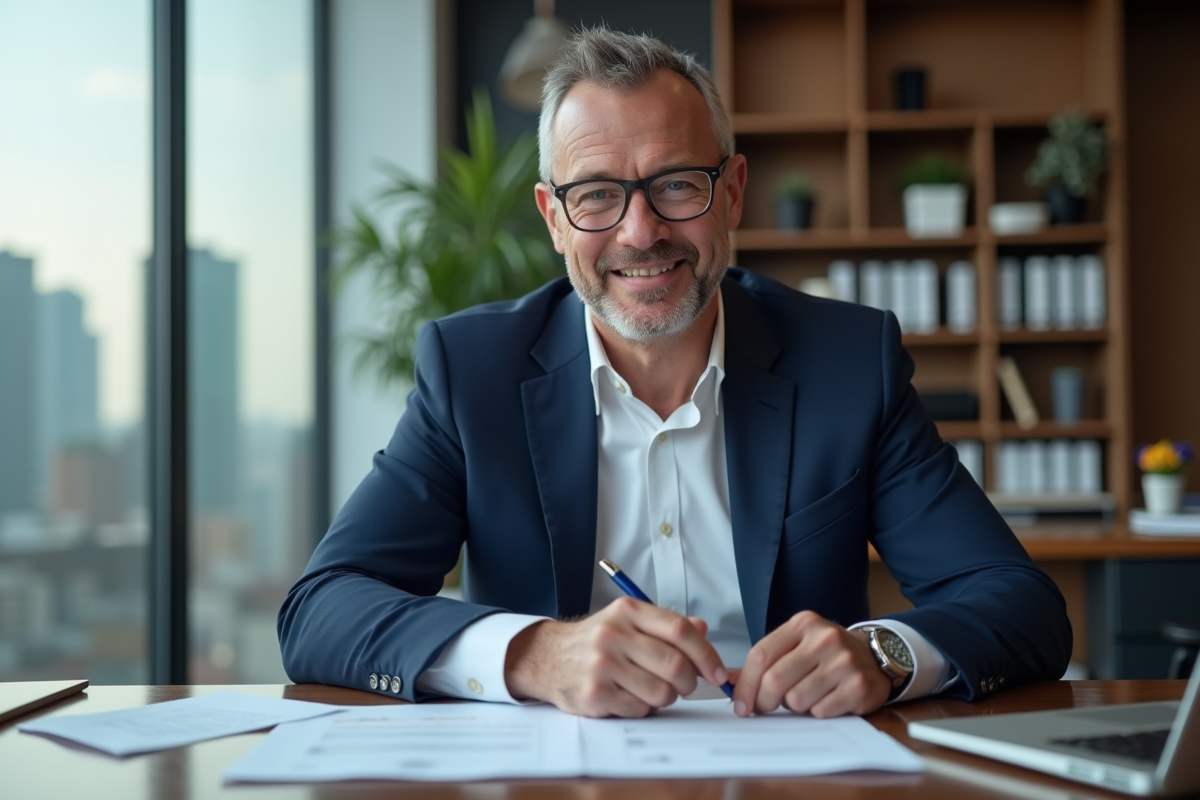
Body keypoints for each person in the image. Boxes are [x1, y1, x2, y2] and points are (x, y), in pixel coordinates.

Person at [278, 28, 1071, 719]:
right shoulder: (471, 371)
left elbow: (1021, 605)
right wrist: (534, 655)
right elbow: (321, 609)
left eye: (677, 185)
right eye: (597, 195)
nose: (641, 231)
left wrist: (885, 654)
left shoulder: (849, 363)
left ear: (733, 194)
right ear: (554, 220)